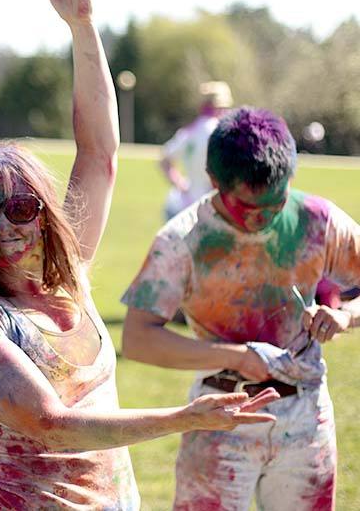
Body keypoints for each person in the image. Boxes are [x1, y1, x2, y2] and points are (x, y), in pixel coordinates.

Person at [0, 0, 279, 511]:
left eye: (20, 208)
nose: (2, 226)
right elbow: (49, 423)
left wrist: (83, 26)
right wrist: (182, 418)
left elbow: (98, 153)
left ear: (45, 214)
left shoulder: (68, 275)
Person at [122, 106, 360, 510]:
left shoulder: (317, 220)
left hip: (305, 419)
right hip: (219, 417)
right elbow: (137, 339)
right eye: (249, 209)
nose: (265, 218)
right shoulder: (184, 239)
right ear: (214, 182)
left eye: (277, 202)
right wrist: (235, 357)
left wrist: (345, 315)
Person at [160, 80, 233, 220]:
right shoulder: (220, 132)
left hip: (182, 204)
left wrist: (180, 183)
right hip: (207, 209)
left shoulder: (190, 131)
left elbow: (164, 160)